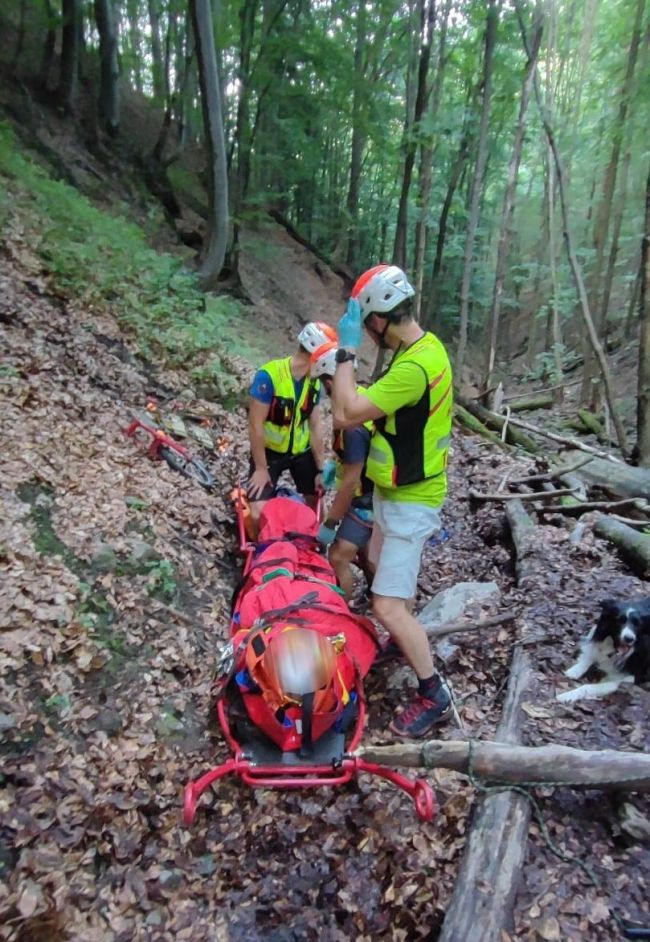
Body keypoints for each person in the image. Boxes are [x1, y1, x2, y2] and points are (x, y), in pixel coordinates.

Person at [331, 264, 454, 738]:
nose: (367, 333)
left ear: (379, 319)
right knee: (380, 566)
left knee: (386, 606)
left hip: (410, 500)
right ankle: (403, 639)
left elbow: (344, 414)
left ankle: (433, 693)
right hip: (397, 490)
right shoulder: (424, 348)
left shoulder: (413, 366)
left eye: (366, 325)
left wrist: (346, 351)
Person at [246, 323, 337, 523]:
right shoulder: (269, 376)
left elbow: (315, 425)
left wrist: (320, 468)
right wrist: (261, 468)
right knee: (257, 514)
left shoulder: (313, 382)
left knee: (318, 506)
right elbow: (255, 425)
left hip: (300, 452)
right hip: (269, 453)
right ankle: (265, 548)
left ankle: (312, 546)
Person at [317, 406, 375, 603]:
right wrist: (331, 472)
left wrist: (330, 522)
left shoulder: (353, 431)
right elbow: (346, 458)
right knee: (365, 552)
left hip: (366, 502)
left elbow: (350, 482)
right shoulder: (356, 411)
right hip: (373, 495)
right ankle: (375, 592)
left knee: (338, 556)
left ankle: (341, 610)